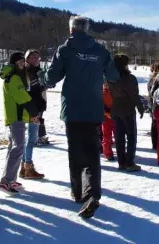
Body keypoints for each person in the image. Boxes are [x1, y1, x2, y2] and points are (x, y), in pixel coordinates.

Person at [41, 16, 119, 219]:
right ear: (87, 29)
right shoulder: (100, 50)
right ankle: (92, 194)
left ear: (71, 30)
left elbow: (52, 77)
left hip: (74, 110)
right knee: (92, 153)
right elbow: (113, 75)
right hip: (94, 110)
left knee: (76, 154)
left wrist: (43, 80)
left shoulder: (65, 50)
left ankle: (78, 193)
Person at [0, 52, 40, 194]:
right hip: (15, 116)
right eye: (20, 62)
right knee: (19, 147)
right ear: (14, 63)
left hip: (17, 116)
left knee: (13, 148)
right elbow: (22, 97)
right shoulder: (14, 77)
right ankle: (6, 181)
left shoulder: (15, 76)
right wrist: (34, 113)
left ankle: (10, 178)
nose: (22, 64)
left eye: (23, 61)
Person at [109, 54, 144, 173]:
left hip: (115, 108)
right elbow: (134, 95)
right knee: (131, 136)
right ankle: (129, 162)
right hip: (127, 108)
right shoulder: (129, 78)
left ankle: (121, 162)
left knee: (119, 137)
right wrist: (140, 107)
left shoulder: (111, 78)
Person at [17, 50, 46, 180]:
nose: (35, 59)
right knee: (32, 138)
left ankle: (24, 167)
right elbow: (30, 91)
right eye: (32, 57)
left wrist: (45, 85)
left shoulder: (36, 72)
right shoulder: (27, 72)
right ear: (27, 59)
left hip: (35, 108)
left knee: (29, 138)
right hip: (31, 109)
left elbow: (38, 89)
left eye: (37, 57)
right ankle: (28, 167)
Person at [148, 63, 159, 150]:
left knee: (154, 123)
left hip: (152, 103)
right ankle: (156, 143)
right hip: (155, 104)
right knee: (156, 123)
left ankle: (155, 143)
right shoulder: (156, 80)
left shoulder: (152, 79)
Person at [102, 82, 115, 161]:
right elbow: (100, 106)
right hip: (106, 118)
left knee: (117, 134)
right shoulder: (101, 93)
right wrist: (107, 113)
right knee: (106, 136)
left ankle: (121, 152)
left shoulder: (114, 91)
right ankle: (108, 154)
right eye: (105, 83)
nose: (106, 85)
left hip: (114, 116)